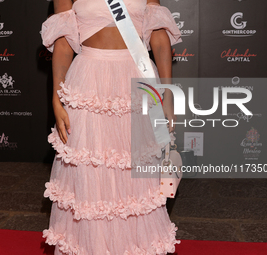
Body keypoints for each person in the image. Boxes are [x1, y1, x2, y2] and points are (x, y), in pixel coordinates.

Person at [41, 0, 182, 254]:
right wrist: (56, 95)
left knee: (137, 179)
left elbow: (159, 38)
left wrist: (167, 92)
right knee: (89, 175)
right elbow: (63, 44)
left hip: (137, 78)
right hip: (87, 84)